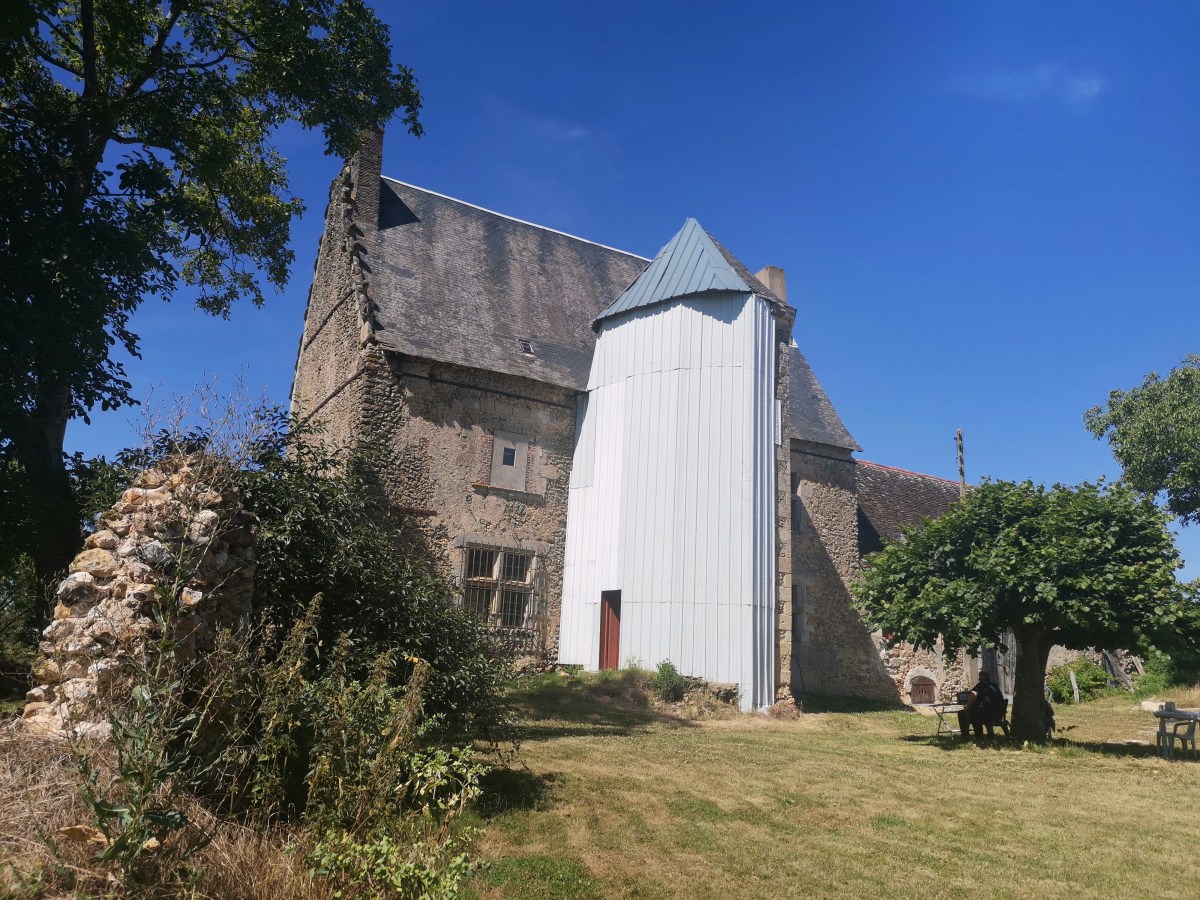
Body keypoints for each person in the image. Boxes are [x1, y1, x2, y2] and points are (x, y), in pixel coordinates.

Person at [957, 670, 1006, 741]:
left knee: (963, 713)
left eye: (979, 679)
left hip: (986, 714)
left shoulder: (981, 685)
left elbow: (974, 694)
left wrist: (967, 706)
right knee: (975, 713)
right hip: (997, 714)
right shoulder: (994, 686)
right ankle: (980, 736)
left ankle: (968, 736)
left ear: (980, 679)